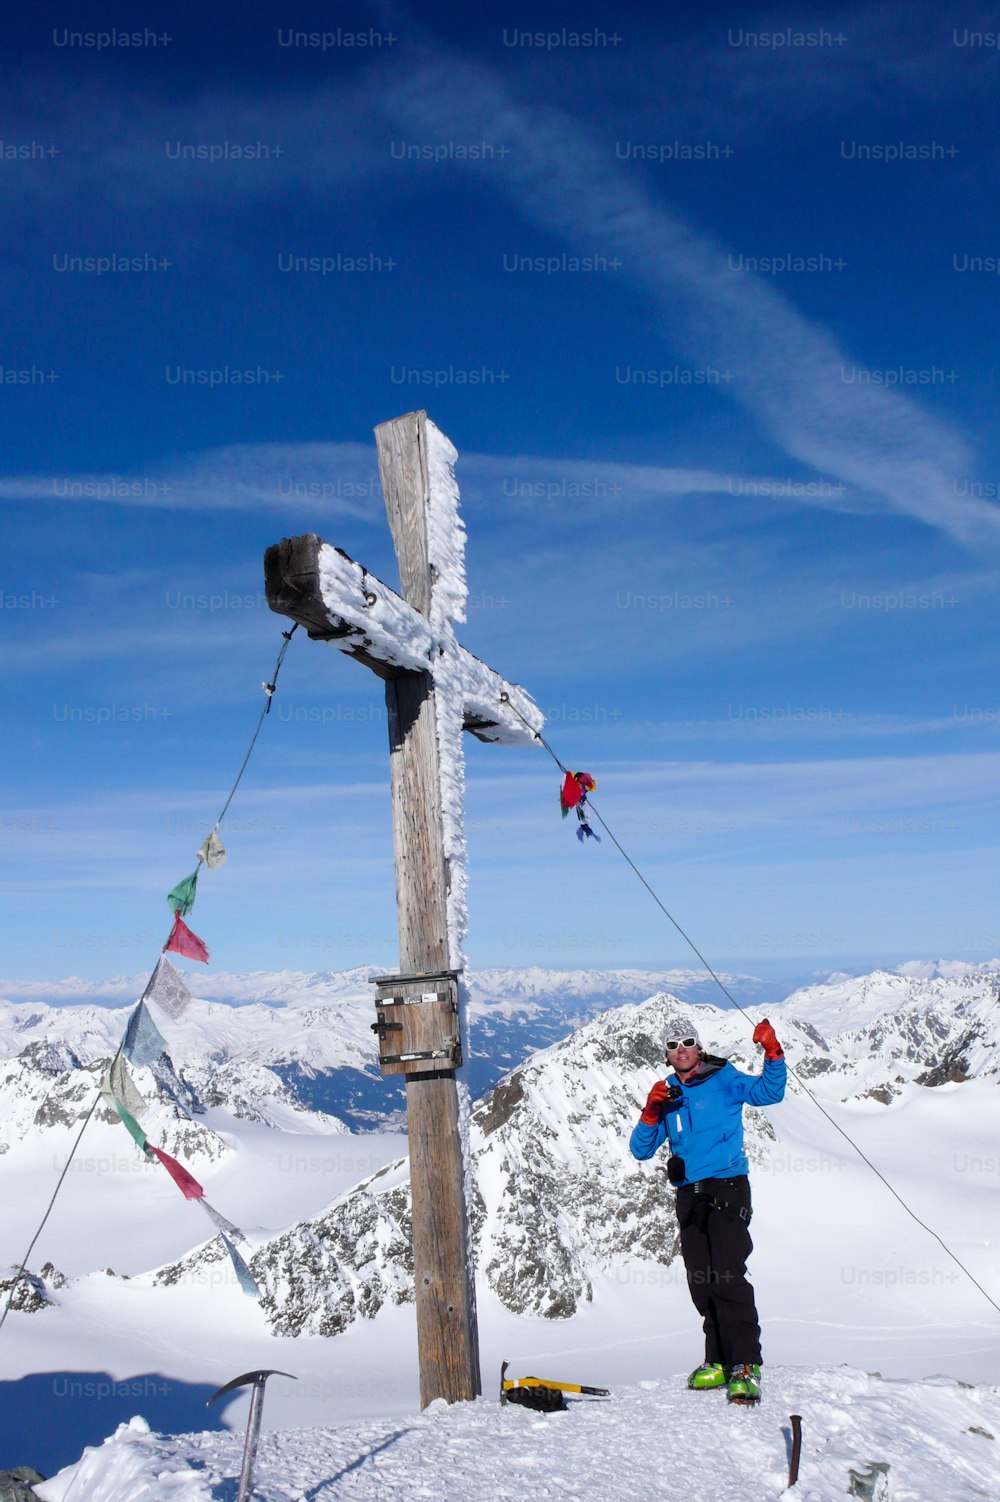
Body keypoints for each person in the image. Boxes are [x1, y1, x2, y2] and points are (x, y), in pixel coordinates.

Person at [629, 1015, 786, 1405]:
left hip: (727, 1187)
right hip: (689, 1195)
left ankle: (745, 1365)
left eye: (687, 1041)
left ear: (699, 1046)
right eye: (672, 1044)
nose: (680, 1049)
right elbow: (640, 1150)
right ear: (666, 1055)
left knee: (729, 1276)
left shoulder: (725, 1078)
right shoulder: (666, 1094)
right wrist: (650, 1114)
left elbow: (768, 1092)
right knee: (702, 1281)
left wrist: (773, 1051)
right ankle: (716, 1360)